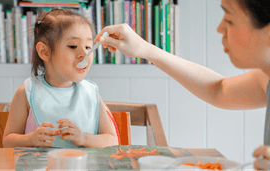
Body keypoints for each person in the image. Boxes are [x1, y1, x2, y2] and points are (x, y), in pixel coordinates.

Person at [94, 0, 270, 170]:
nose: (220, 28)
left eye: (230, 20)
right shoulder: (265, 78)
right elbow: (218, 90)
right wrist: (144, 49)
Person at [2, 9, 118, 148]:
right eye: (73, 46)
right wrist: (31, 139)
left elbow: (112, 141)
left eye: (88, 47)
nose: (84, 54)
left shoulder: (91, 93)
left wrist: (83, 138)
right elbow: (7, 142)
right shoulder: (26, 93)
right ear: (44, 52)